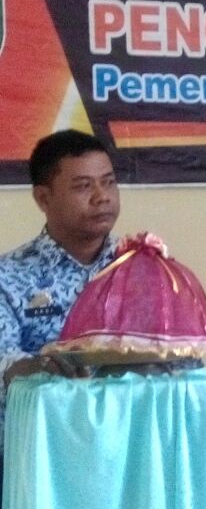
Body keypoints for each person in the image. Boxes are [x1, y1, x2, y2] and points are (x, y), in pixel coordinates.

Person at [0, 130, 120, 449]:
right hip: (38, 454)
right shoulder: (8, 277)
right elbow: (4, 362)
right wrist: (38, 368)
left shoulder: (139, 269)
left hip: (127, 448)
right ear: (43, 198)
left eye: (108, 182)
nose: (102, 197)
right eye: (84, 186)